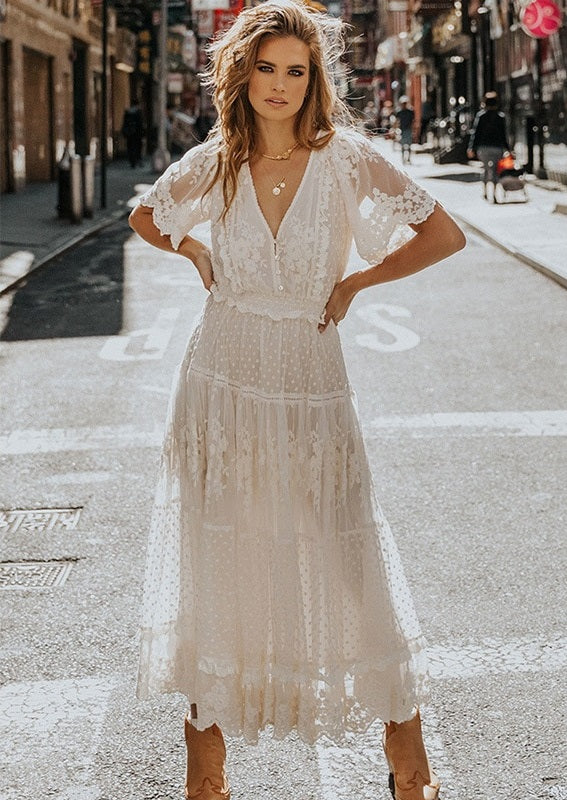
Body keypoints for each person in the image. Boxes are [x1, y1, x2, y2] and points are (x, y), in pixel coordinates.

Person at [129, 2, 465, 798]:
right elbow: (146, 216)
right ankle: (205, 782)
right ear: (240, 73)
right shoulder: (215, 162)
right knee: (219, 567)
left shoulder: (348, 159)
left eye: (297, 70)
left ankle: (409, 772)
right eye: (267, 67)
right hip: (222, 383)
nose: (280, 85)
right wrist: (192, 244)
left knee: (350, 565)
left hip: (312, 385)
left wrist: (356, 280)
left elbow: (442, 234)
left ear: (313, 81)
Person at [467, 91, 509, 203]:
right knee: (495, 171)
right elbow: (503, 135)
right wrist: (508, 149)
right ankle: (494, 194)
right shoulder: (500, 117)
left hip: (483, 148)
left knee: (485, 169)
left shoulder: (481, 116)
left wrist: (471, 148)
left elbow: (476, 133)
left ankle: (485, 192)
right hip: (497, 148)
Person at [121, 99, 144, 168]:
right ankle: (137, 160)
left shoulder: (127, 112)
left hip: (130, 134)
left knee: (130, 147)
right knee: (138, 147)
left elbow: (124, 123)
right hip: (137, 134)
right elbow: (140, 124)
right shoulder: (138, 113)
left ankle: (132, 162)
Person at [396, 95, 414, 164]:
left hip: (408, 130)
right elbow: (397, 121)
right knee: (403, 145)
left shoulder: (410, 112)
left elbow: (413, 121)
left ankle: (409, 158)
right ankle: (403, 158)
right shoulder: (399, 112)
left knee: (409, 145)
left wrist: (414, 130)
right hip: (402, 130)